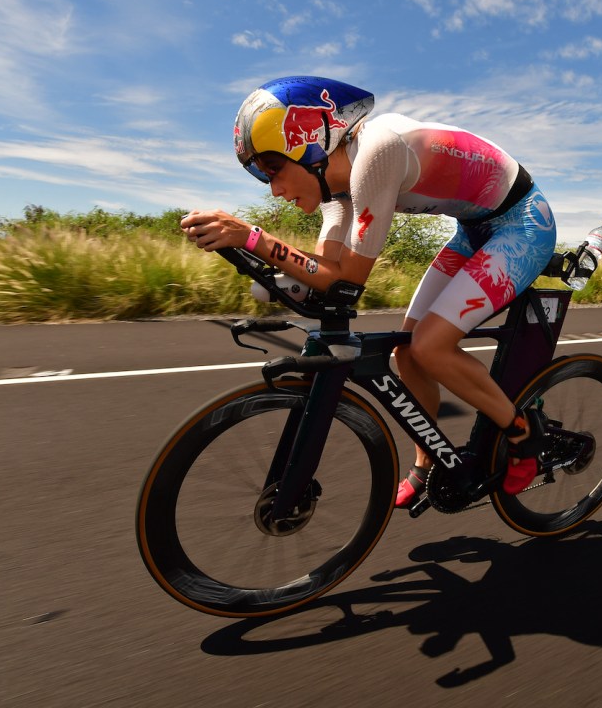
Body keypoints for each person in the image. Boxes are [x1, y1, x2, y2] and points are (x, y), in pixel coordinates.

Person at [180, 75, 557, 507]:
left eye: (273, 169)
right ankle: (428, 462)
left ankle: (523, 433)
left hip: (523, 225)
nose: (275, 190)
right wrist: (279, 274)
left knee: (430, 346)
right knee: (407, 354)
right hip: (474, 231)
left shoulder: (377, 154)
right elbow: (325, 275)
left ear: (312, 144)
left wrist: (253, 239)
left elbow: (347, 281)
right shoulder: (336, 190)